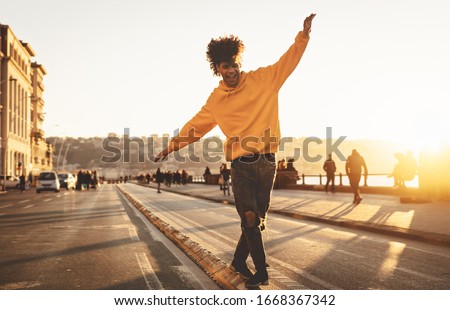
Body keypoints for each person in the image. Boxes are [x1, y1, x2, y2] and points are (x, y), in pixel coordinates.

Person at [153, 13, 315, 288]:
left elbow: (289, 62)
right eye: (226, 66)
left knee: (256, 220)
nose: (232, 71)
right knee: (250, 217)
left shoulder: (264, 79)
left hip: (266, 162)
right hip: (240, 165)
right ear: (217, 68)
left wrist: (303, 36)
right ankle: (261, 271)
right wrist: (170, 147)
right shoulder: (216, 100)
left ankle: (239, 262)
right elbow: (195, 127)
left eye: (235, 65)